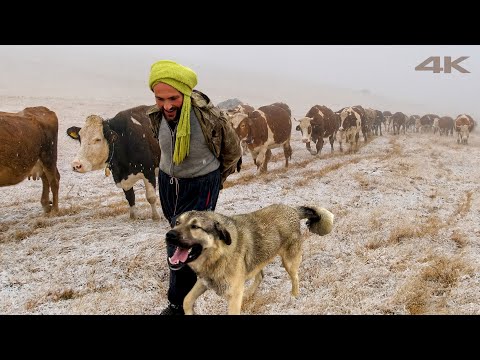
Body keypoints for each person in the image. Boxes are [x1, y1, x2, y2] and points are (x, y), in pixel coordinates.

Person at [146, 60, 242, 315]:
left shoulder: (210, 117)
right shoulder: (156, 115)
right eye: (160, 98)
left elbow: (233, 152)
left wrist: (213, 179)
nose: (166, 105)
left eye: (173, 98)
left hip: (201, 183)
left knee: (187, 241)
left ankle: (177, 304)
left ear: (185, 93)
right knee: (176, 231)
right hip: (168, 182)